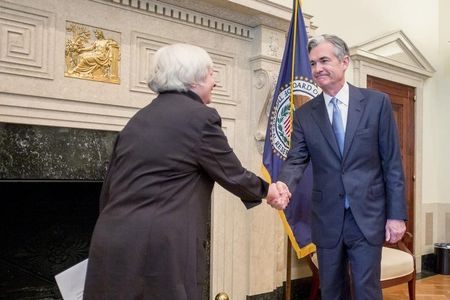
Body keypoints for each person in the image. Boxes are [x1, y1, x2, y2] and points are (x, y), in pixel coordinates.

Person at [83, 43, 289, 300]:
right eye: (212, 72)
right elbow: (231, 172)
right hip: (160, 247)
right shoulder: (200, 118)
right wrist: (268, 189)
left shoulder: (138, 119)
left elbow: (110, 186)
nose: (215, 80)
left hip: (111, 238)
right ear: (194, 79)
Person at [271, 34, 407, 299]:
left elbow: (392, 163)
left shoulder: (376, 103)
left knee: (367, 290)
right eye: (313, 63)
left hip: (366, 216)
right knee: (332, 290)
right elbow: (296, 159)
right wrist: (283, 184)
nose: (317, 68)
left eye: (324, 60)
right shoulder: (304, 114)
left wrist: (396, 214)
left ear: (344, 62)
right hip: (327, 217)